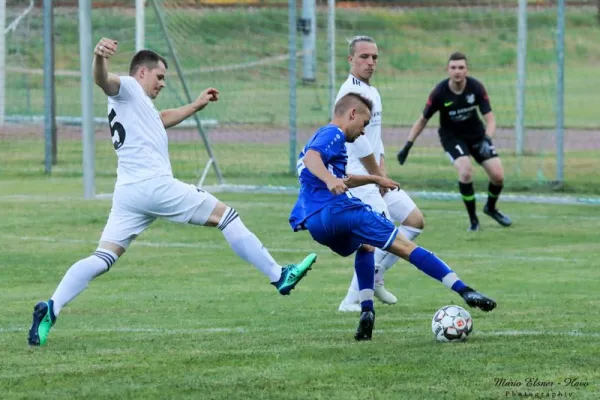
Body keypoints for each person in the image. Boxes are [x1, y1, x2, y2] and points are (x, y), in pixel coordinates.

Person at [27, 38, 317, 346]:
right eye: (160, 77)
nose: (162, 83)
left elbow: (160, 119)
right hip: (154, 185)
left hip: (127, 192)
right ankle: (277, 275)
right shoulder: (127, 87)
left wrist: (195, 105)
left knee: (103, 256)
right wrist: (99, 58)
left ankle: (52, 306)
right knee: (226, 217)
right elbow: (103, 80)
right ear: (142, 72)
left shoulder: (139, 105)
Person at [290, 92, 497, 341]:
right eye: (364, 124)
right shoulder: (332, 133)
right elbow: (315, 160)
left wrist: (375, 178)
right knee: (405, 246)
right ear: (352, 114)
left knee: (366, 246)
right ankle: (465, 290)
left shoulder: (324, 141)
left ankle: (367, 311)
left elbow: (334, 174)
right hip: (339, 210)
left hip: (316, 222)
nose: (363, 132)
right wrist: (330, 179)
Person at [335, 35, 425, 313]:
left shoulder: (372, 91)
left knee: (414, 221)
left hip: (375, 173)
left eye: (374, 57)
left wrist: (382, 167)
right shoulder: (349, 94)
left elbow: (375, 137)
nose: (370, 62)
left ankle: (375, 276)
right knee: (375, 237)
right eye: (364, 57)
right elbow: (358, 142)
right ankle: (351, 300)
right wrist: (377, 176)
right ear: (350, 59)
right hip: (358, 177)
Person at [396, 52, 512, 232]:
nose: (457, 71)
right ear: (447, 70)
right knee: (465, 171)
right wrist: (407, 146)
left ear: (467, 70)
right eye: (453, 67)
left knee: (498, 176)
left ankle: (490, 208)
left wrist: (487, 139)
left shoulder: (476, 88)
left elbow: (490, 119)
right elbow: (422, 120)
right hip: (452, 138)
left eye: (461, 67)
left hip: (477, 136)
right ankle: (474, 221)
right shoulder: (439, 93)